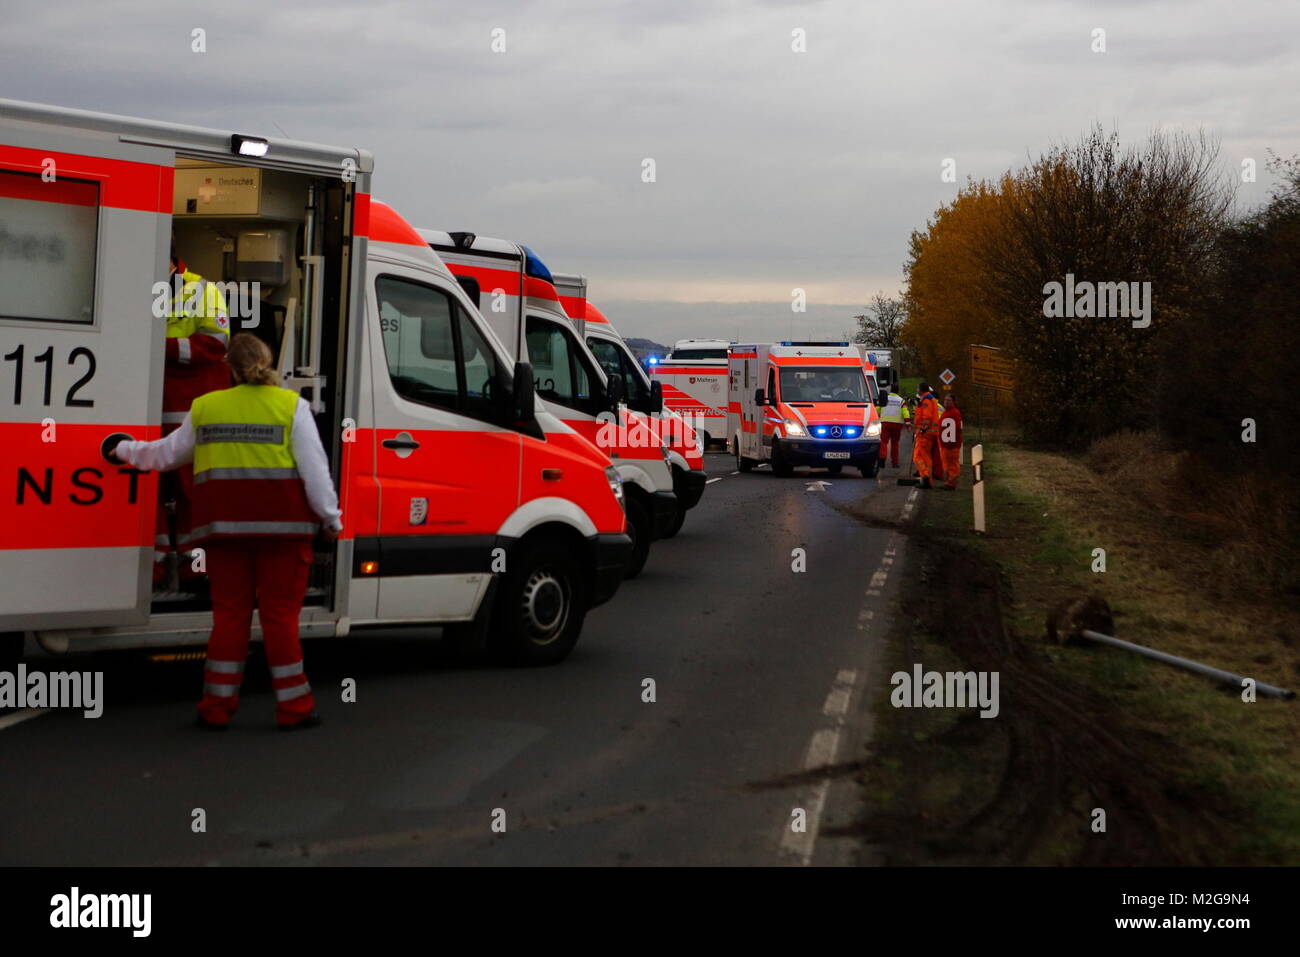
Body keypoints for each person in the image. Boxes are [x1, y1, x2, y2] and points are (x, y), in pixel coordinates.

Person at [110, 334, 342, 731]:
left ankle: (215, 709)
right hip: (284, 537)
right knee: (280, 620)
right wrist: (332, 520)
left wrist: (121, 449)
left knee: (229, 619)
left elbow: (163, 455)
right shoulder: (292, 407)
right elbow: (315, 475)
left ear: (227, 368)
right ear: (267, 363)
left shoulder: (206, 408)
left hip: (224, 536)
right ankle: (294, 708)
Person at [156, 246, 232, 588]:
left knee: (192, 493)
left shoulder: (202, 290)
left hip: (190, 412)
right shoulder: (133, 286)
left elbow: (215, 344)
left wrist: (159, 348)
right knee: (149, 493)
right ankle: (154, 569)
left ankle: (196, 570)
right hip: (147, 410)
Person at [911, 380, 942, 489]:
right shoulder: (929, 399)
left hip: (925, 433)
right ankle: (927, 479)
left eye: (917, 388)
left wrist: (922, 429)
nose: (916, 390)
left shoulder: (926, 400)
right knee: (926, 457)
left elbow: (927, 417)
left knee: (917, 456)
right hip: (930, 433)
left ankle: (925, 477)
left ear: (920, 389)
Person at [877, 384, 910, 469]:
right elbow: (905, 412)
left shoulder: (885, 398)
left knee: (884, 442)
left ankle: (882, 460)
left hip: (885, 423)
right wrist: (908, 424)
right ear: (898, 391)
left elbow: (878, 409)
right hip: (897, 425)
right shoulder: (901, 401)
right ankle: (895, 463)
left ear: (890, 390)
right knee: (895, 443)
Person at [938, 393, 964, 490]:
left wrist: (951, 443)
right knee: (947, 464)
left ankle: (952, 483)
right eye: (945, 400)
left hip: (951, 444)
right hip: (945, 444)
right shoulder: (946, 412)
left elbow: (956, 429)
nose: (946, 402)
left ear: (953, 402)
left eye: (949, 400)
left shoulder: (955, 413)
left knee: (952, 464)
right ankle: (948, 481)